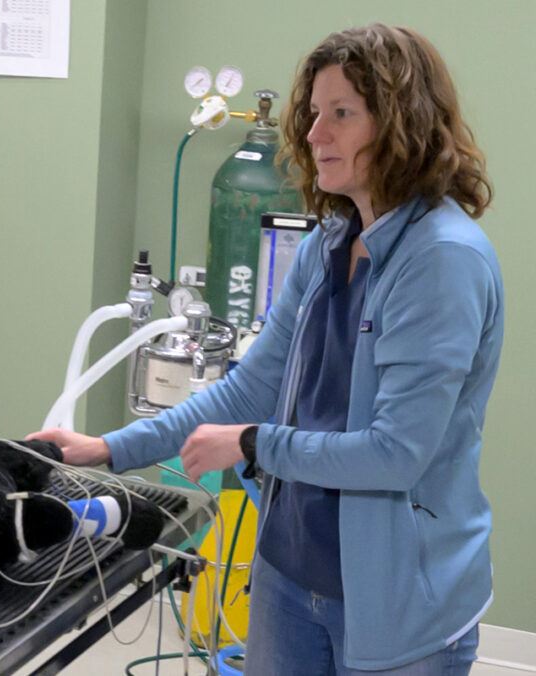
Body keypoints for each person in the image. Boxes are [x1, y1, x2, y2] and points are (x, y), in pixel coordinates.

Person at [29, 24, 502, 675]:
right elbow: (248, 389)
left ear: (402, 124)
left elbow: (396, 455)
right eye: (315, 113)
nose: (314, 135)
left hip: (398, 604)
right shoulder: (327, 246)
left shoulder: (442, 261)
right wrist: (109, 449)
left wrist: (253, 443)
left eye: (342, 114)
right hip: (289, 573)